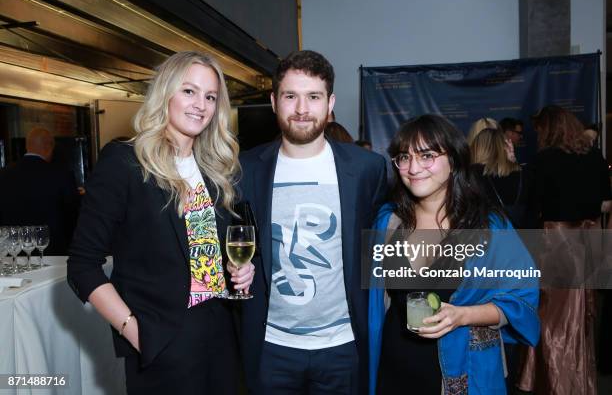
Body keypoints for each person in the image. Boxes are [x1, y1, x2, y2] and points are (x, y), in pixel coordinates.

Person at [66, 51, 254, 395]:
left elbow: (202, 256)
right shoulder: (125, 161)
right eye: (189, 91)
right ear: (165, 93)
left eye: (210, 97)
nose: (201, 104)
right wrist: (135, 331)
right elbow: (82, 265)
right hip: (162, 342)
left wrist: (238, 272)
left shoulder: (214, 171)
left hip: (221, 336)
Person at [238, 50, 388, 394]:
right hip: (270, 346)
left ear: (330, 102)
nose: (302, 109)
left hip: (342, 346)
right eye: (291, 96)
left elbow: (384, 241)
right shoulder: (245, 170)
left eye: (314, 97)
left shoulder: (367, 169)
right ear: (274, 101)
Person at [369, 115, 540, 394]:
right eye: (404, 157)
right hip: (392, 372)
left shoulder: (487, 226)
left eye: (427, 155)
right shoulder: (388, 222)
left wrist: (463, 315)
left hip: (463, 374)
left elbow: (524, 298)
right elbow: (373, 302)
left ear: (454, 160)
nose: (413, 168)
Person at [518, 105, 612, 395]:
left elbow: (531, 209)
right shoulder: (594, 156)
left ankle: (555, 382)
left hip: (557, 243)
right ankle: (578, 380)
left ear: (548, 129)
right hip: (589, 242)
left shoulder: (543, 161)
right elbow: (605, 202)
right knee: (582, 316)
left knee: (551, 315)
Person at [0, 127, 79, 254]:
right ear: (50, 147)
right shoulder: (61, 175)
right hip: (53, 253)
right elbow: (73, 215)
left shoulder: (3, 174)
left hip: (13, 253)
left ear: (27, 146)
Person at [471, 128, 536, 229]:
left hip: (487, 239)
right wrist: (513, 162)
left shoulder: (471, 175)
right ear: (504, 147)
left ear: (478, 148)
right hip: (522, 238)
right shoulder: (525, 174)